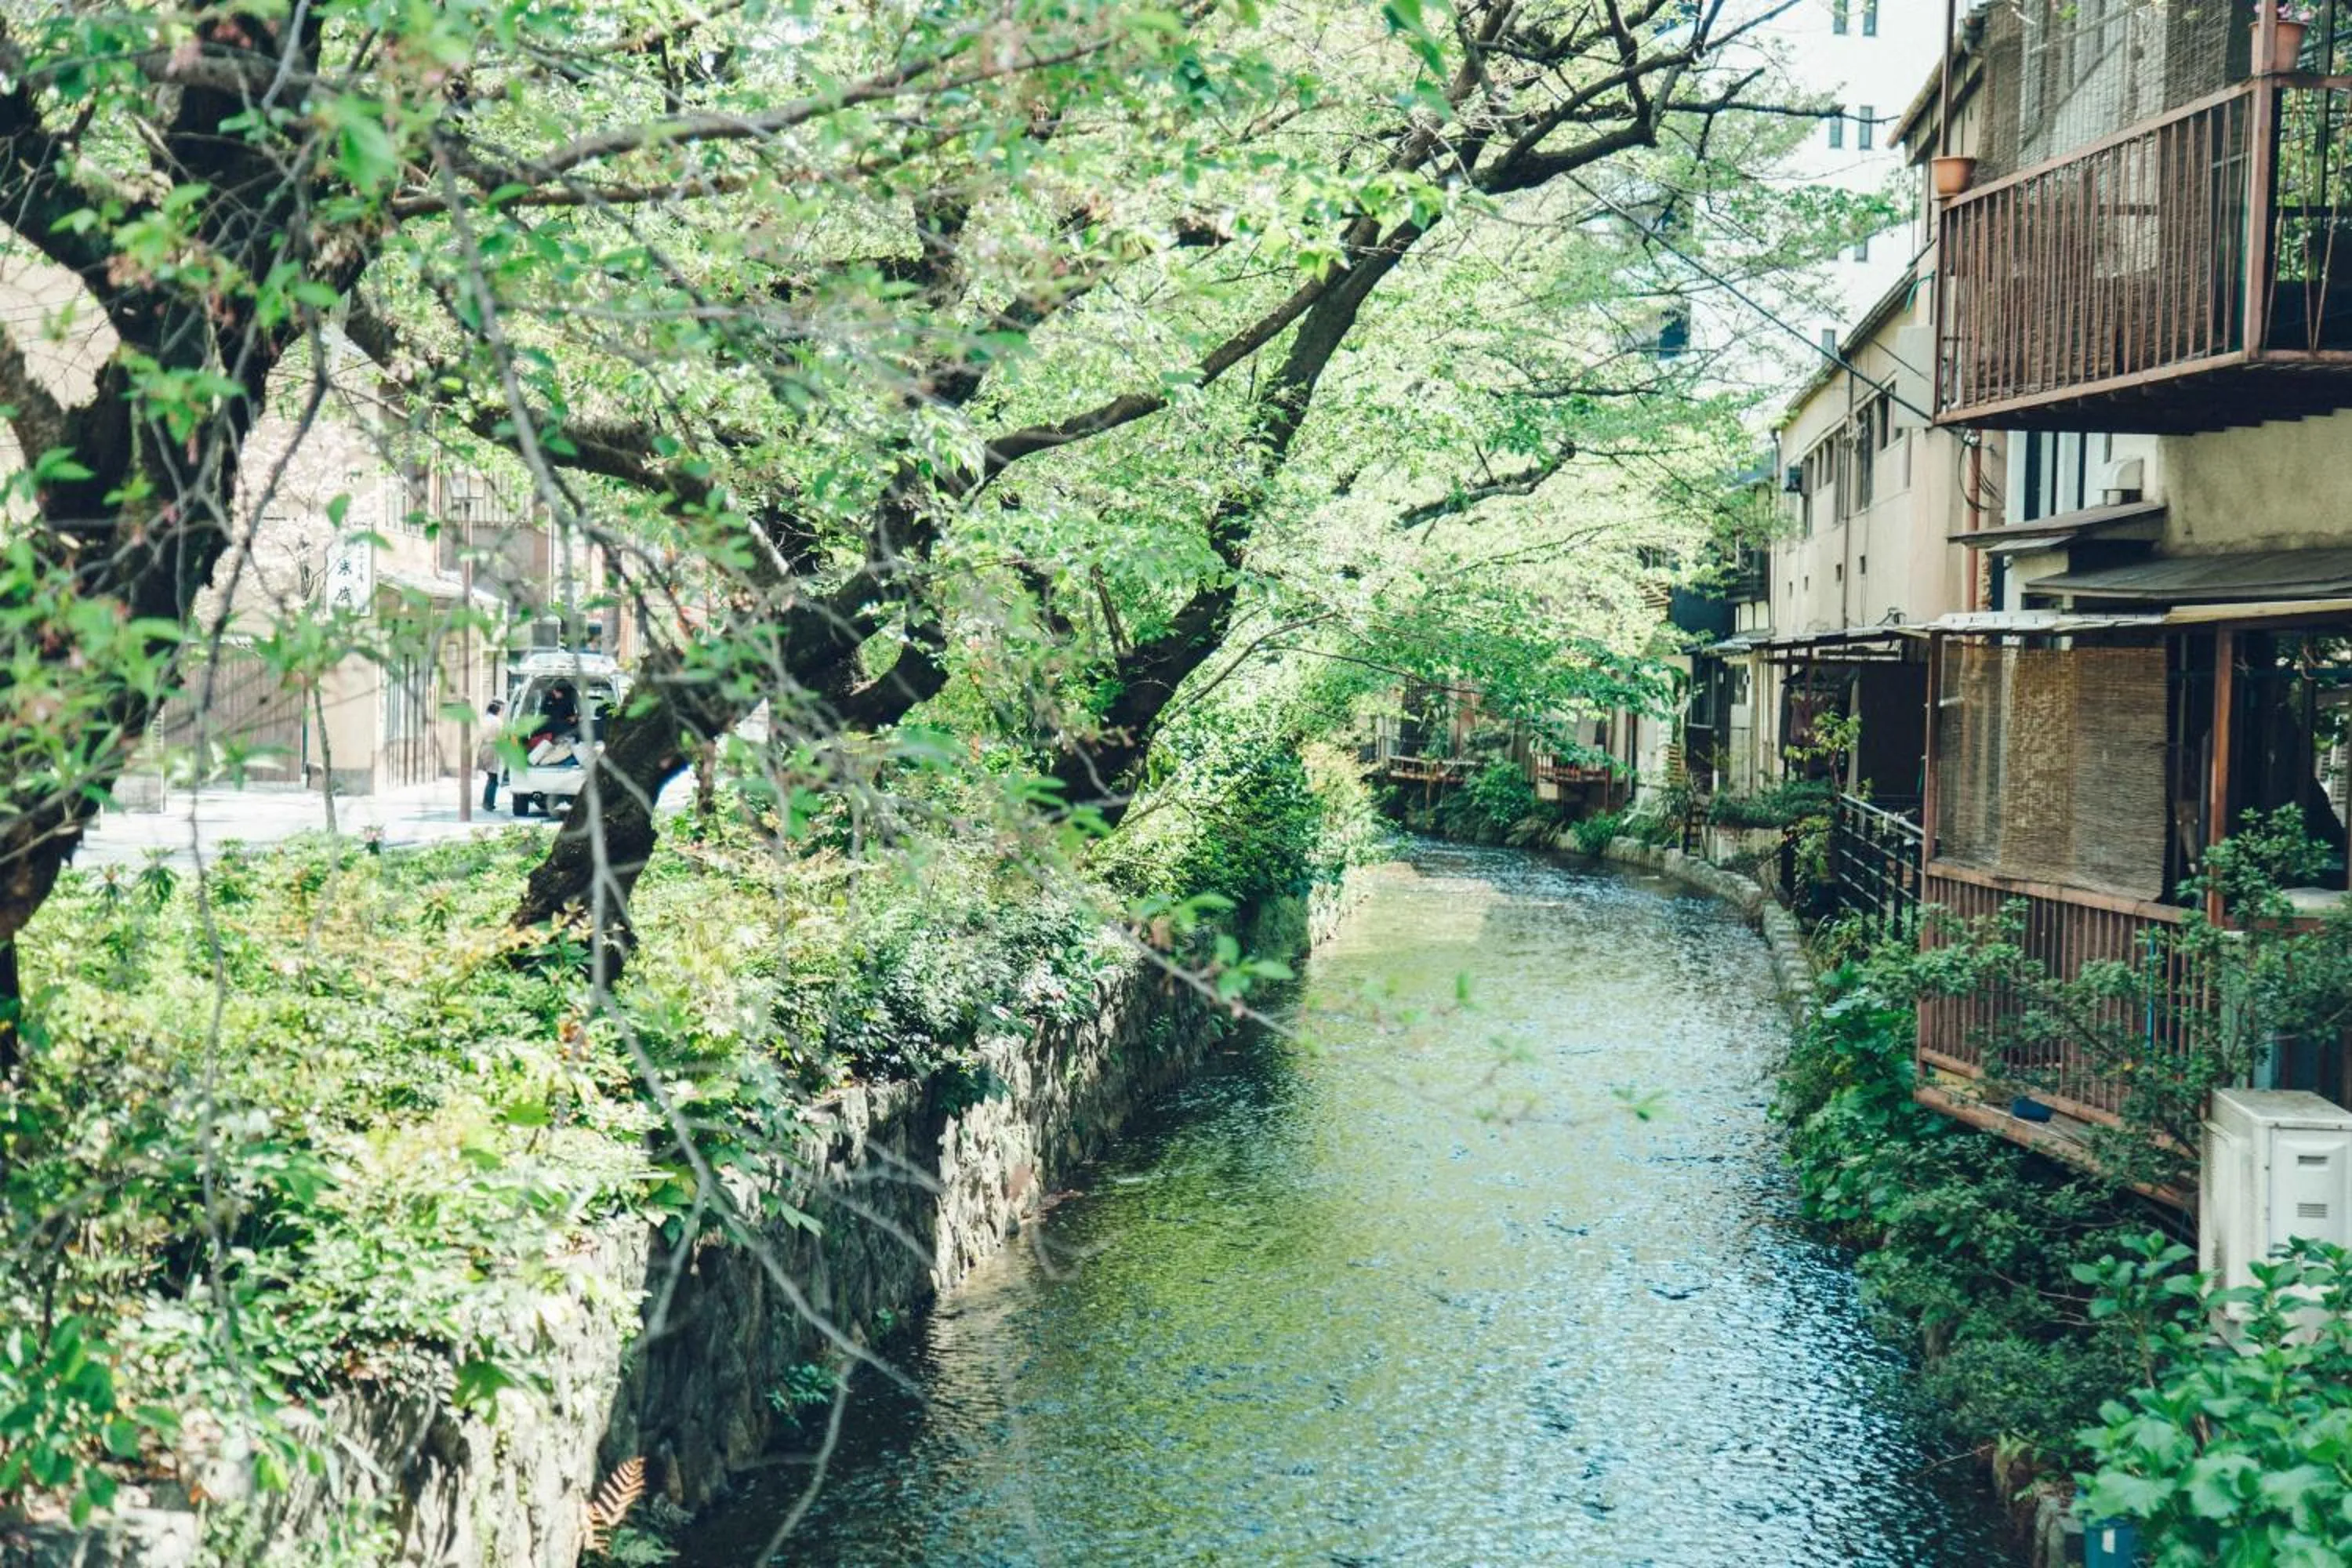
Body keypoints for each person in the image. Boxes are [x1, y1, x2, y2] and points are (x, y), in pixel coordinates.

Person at [477, 700, 505, 811]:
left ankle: (486, 802)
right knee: (494, 778)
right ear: (497, 711)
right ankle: (489, 803)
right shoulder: (497, 721)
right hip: (494, 748)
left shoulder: (484, 719)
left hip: (484, 747)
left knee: (490, 777)